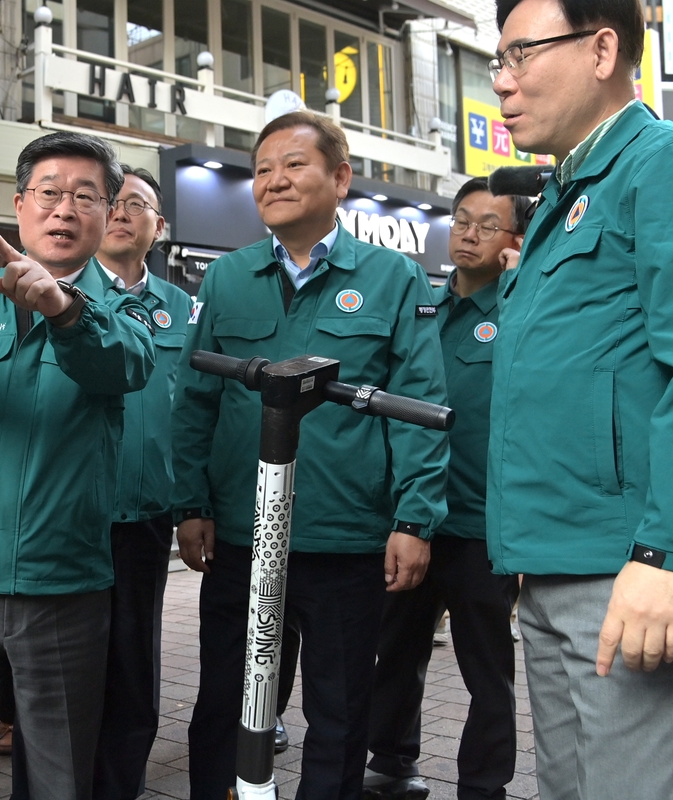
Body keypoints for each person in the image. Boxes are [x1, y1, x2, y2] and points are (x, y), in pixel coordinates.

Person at [488, 1, 673, 797]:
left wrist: (669, 554)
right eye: (498, 61)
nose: (502, 83)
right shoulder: (565, 197)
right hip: (558, 566)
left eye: (520, 54)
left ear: (602, 49)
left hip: (636, 569)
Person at [171, 110, 450, 800]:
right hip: (240, 535)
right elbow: (196, 401)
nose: (274, 180)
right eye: (262, 169)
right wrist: (191, 505)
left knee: (340, 711)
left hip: (345, 540)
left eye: (293, 164)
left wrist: (414, 520)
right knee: (225, 708)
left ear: (340, 177)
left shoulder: (393, 278)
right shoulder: (228, 278)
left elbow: (418, 405)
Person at [0, 131, 156, 800]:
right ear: (20, 205)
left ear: (107, 213)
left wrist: (62, 309)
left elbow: (127, 364)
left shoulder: (122, 307)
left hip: (64, 584)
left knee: (58, 767)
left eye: (85, 196)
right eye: (49, 193)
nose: (64, 209)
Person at [364, 179, 530, 800]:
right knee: (396, 650)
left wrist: (519, 284)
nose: (469, 234)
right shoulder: (420, 310)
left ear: (516, 238)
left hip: (482, 525)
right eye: (462, 220)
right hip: (410, 520)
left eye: (489, 225)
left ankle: (484, 785)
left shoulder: (522, 311)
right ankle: (392, 761)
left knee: (487, 669)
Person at [87, 165, 193, 800]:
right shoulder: (65, 291)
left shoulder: (182, 307)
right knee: (64, 668)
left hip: (146, 520)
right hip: (71, 516)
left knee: (133, 667)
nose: (123, 211)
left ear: (161, 226)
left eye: (138, 204)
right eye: (114, 201)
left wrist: (192, 503)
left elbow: (197, 409)